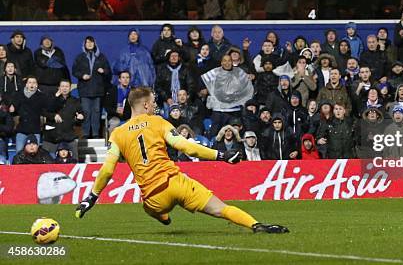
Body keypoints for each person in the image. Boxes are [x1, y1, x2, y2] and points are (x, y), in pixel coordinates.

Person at [75, 87, 288, 233]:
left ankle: (163, 217)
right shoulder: (157, 121)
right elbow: (186, 147)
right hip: (175, 183)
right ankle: (256, 225)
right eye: (154, 102)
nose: (155, 106)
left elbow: (107, 170)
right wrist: (220, 155)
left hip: (153, 196)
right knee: (221, 209)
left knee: (148, 208)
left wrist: (91, 197)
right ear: (146, 105)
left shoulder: (117, 134)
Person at [72, 36, 111, 139]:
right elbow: (74, 71)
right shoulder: (80, 57)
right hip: (84, 90)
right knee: (86, 112)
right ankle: (85, 134)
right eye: (87, 42)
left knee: (96, 112)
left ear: (95, 44)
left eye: (91, 42)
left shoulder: (101, 57)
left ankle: (95, 134)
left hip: (98, 90)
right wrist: (82, 75)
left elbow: (108, 71)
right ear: (84, 44)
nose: (89, 44)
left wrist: (103, 71)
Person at [43, 79, 84, 159]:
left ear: (70, 88)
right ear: (59, 87)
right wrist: (54, 115)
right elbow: (45, 111)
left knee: (74, 161)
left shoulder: (75, 101)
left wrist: (81, 117)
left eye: (66, 86)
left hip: (69, 136)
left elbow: (81, 115)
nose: (64, 88)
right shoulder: (51, 98)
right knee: (48, 163)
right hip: (52, 137)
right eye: (62, 86)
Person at [9, 76, 49, 152]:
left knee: (34, 153)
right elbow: (13, 109)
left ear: (37, 85)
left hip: (35, 130)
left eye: (34, 82)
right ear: (26, 84)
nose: (32, 84)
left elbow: (47, 109)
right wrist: (12, 108)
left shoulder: (42, 96)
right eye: (30, 82)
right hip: (22, 129)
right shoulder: (19, 95)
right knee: (19, 152)